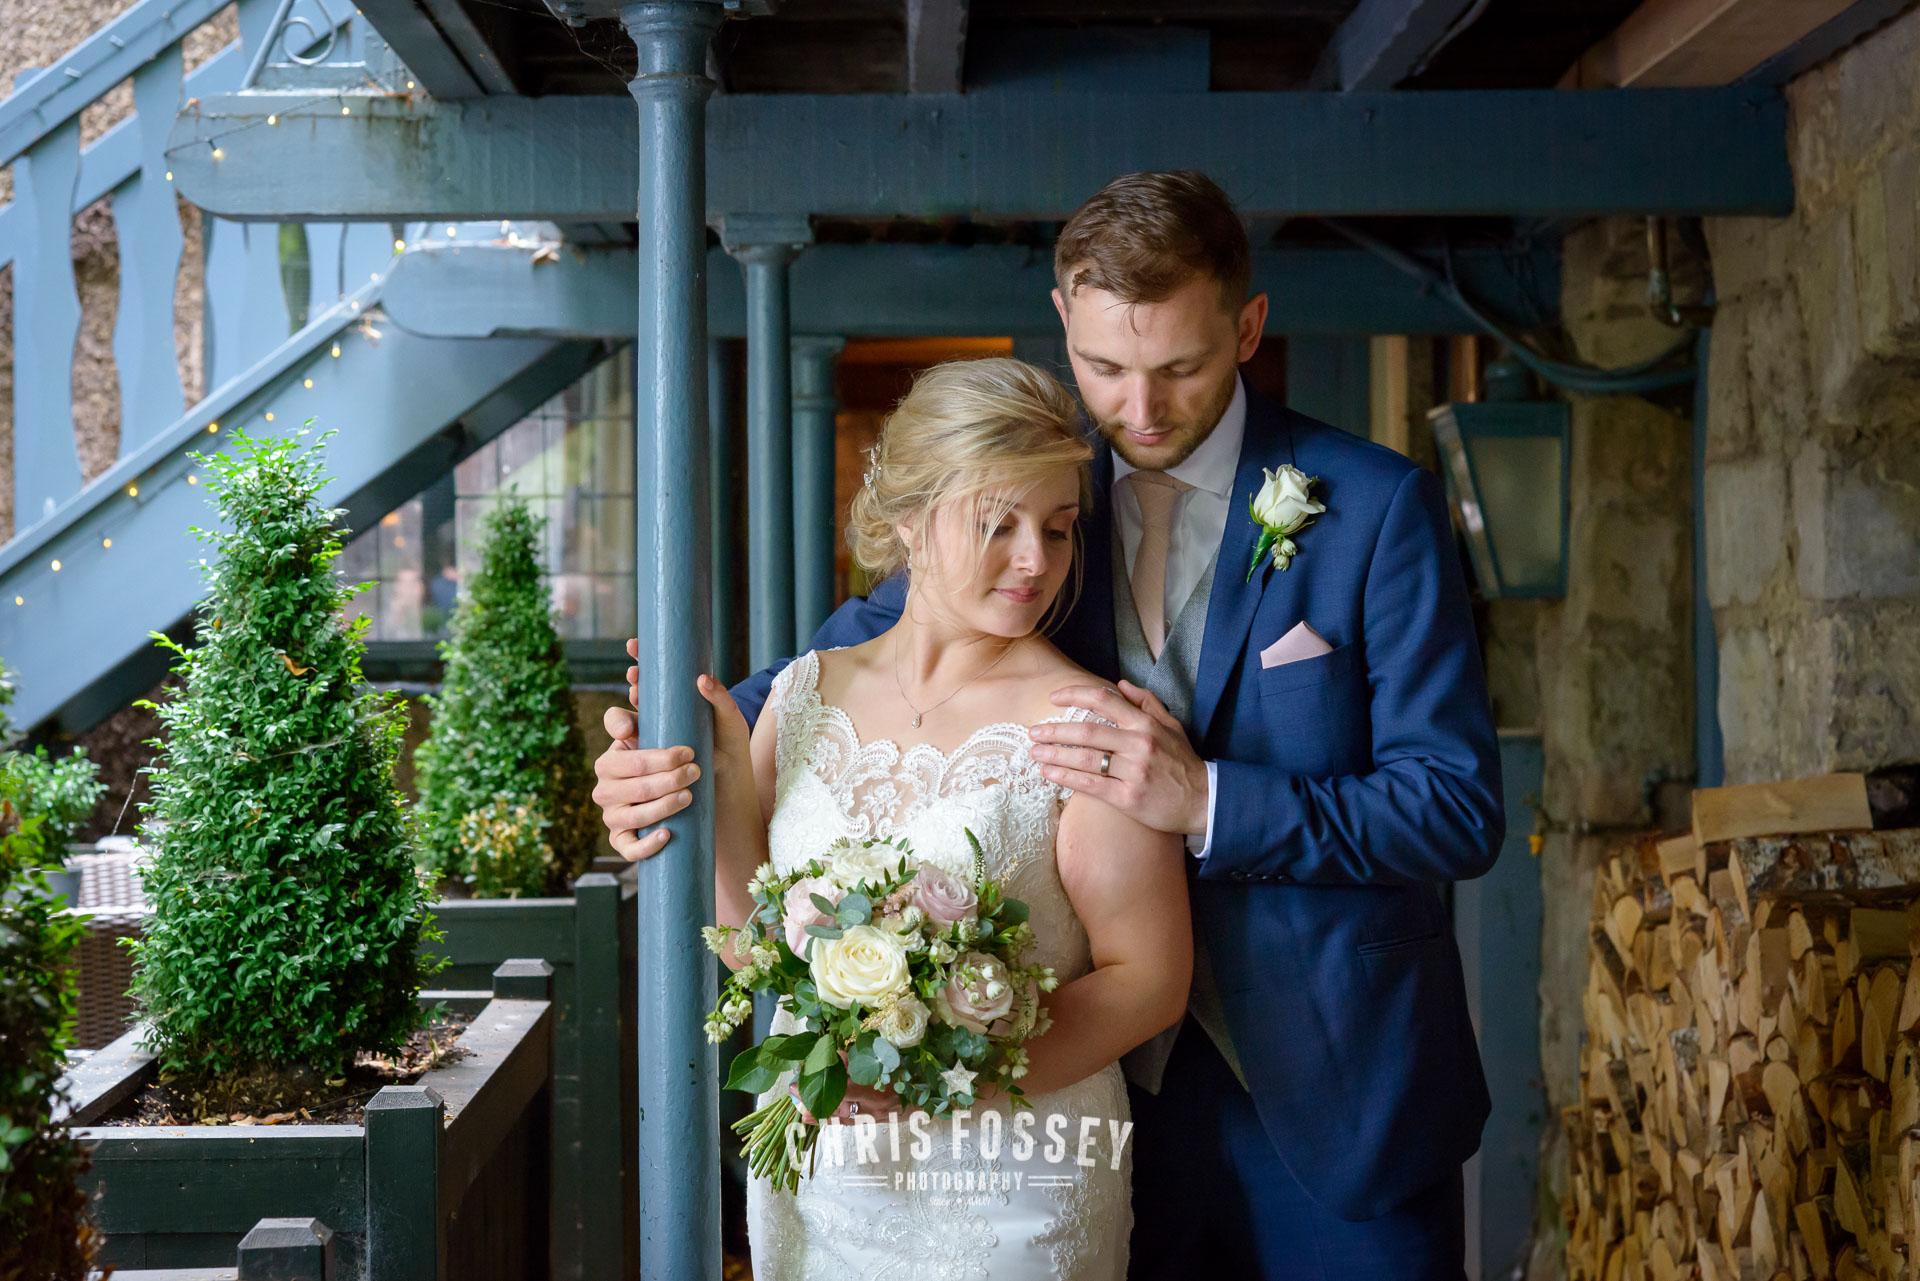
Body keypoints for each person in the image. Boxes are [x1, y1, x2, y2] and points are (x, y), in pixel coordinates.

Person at [596, 169, 1505, 1279]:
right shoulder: (1030, 503)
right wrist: (660, 772)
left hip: (1340, 1087)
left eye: (1181, 366)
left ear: (1249, 328)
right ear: (1066, 323)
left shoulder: (1372, 507)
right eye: (1105, 368)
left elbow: (1457, 808)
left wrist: (1209, 800)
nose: (1140, 408)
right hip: (1094, 1104)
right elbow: (839, 676)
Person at [603, 357, 1192, 1278]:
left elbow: (1150, 977)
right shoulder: (801, 697)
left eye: (1060, 528)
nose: (1036, 560)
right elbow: (756, 948)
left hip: (1013, 1187)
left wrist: (942, 1080)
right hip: (832, 1176)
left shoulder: (1086, 725)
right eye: (998, 524)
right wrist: (717, 794)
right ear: (909, 520)